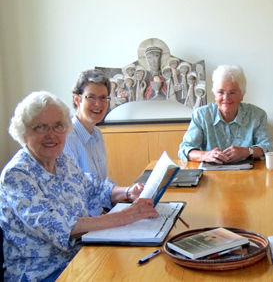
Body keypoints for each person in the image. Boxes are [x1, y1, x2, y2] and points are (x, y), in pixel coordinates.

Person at [0, 91, 158, 282]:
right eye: (40, 127)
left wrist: (128, 192)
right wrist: (127, 216)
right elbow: (58, 226)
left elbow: (95, 189)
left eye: (58, 126)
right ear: (24, 134)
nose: (51, 135)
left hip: (79, 256)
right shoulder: (17, 174)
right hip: (41, 272)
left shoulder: (63, 161)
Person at [178, 65, 273, 163]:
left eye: (232, 92)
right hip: (211, 175)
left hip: (249, 174)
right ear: (215, 95)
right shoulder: (201, 115)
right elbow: (185, 149)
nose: (226, 98)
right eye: (221, 92)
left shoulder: (257, 115)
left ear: (242, 95)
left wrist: (248, 151)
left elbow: (268, 147)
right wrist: (206, 155)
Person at [63, 69, 114, 216]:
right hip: (84, 221)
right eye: (91, 97)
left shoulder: (97, 133)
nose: (98, 104)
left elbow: (102, 185)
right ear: (77, 100)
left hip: (103, 212)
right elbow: (72, 196)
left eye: (104, 97)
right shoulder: (66, 138)